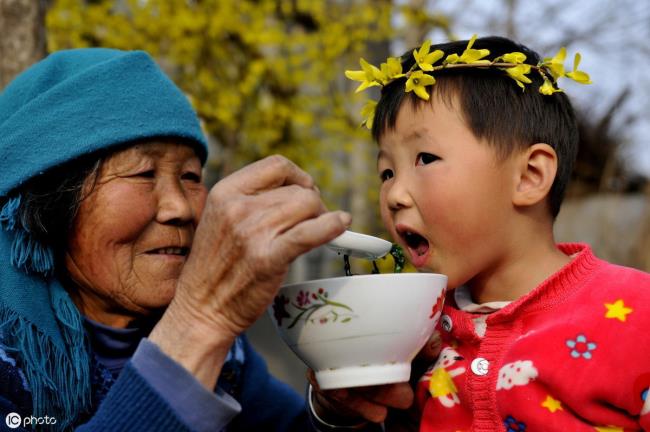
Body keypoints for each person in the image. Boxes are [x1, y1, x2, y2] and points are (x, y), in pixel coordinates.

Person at [0, 47, 401, 431]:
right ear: (51, 203)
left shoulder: (228, 356)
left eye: (191, 177)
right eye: (143, 173)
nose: (181, 208)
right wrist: (201, 321)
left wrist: (338, 413)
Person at [328, 35, 650, 431]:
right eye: (386, 172)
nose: (393, 194)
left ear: (529, 176)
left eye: (425, 158)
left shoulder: (638, 315)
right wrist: (338, 406)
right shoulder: (408, 326)